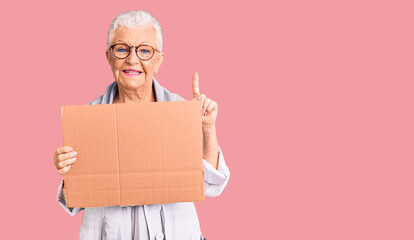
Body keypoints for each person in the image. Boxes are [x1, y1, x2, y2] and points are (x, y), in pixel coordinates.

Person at [53, 10, 230, 240]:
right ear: (109, 57)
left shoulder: (181, 111)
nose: (132, 59)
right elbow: (74, 202)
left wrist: (207, 128)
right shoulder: (88, 119)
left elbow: (210, 186)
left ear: (159, 60)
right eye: (122, 48)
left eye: (145, 50)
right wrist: (69, 172)